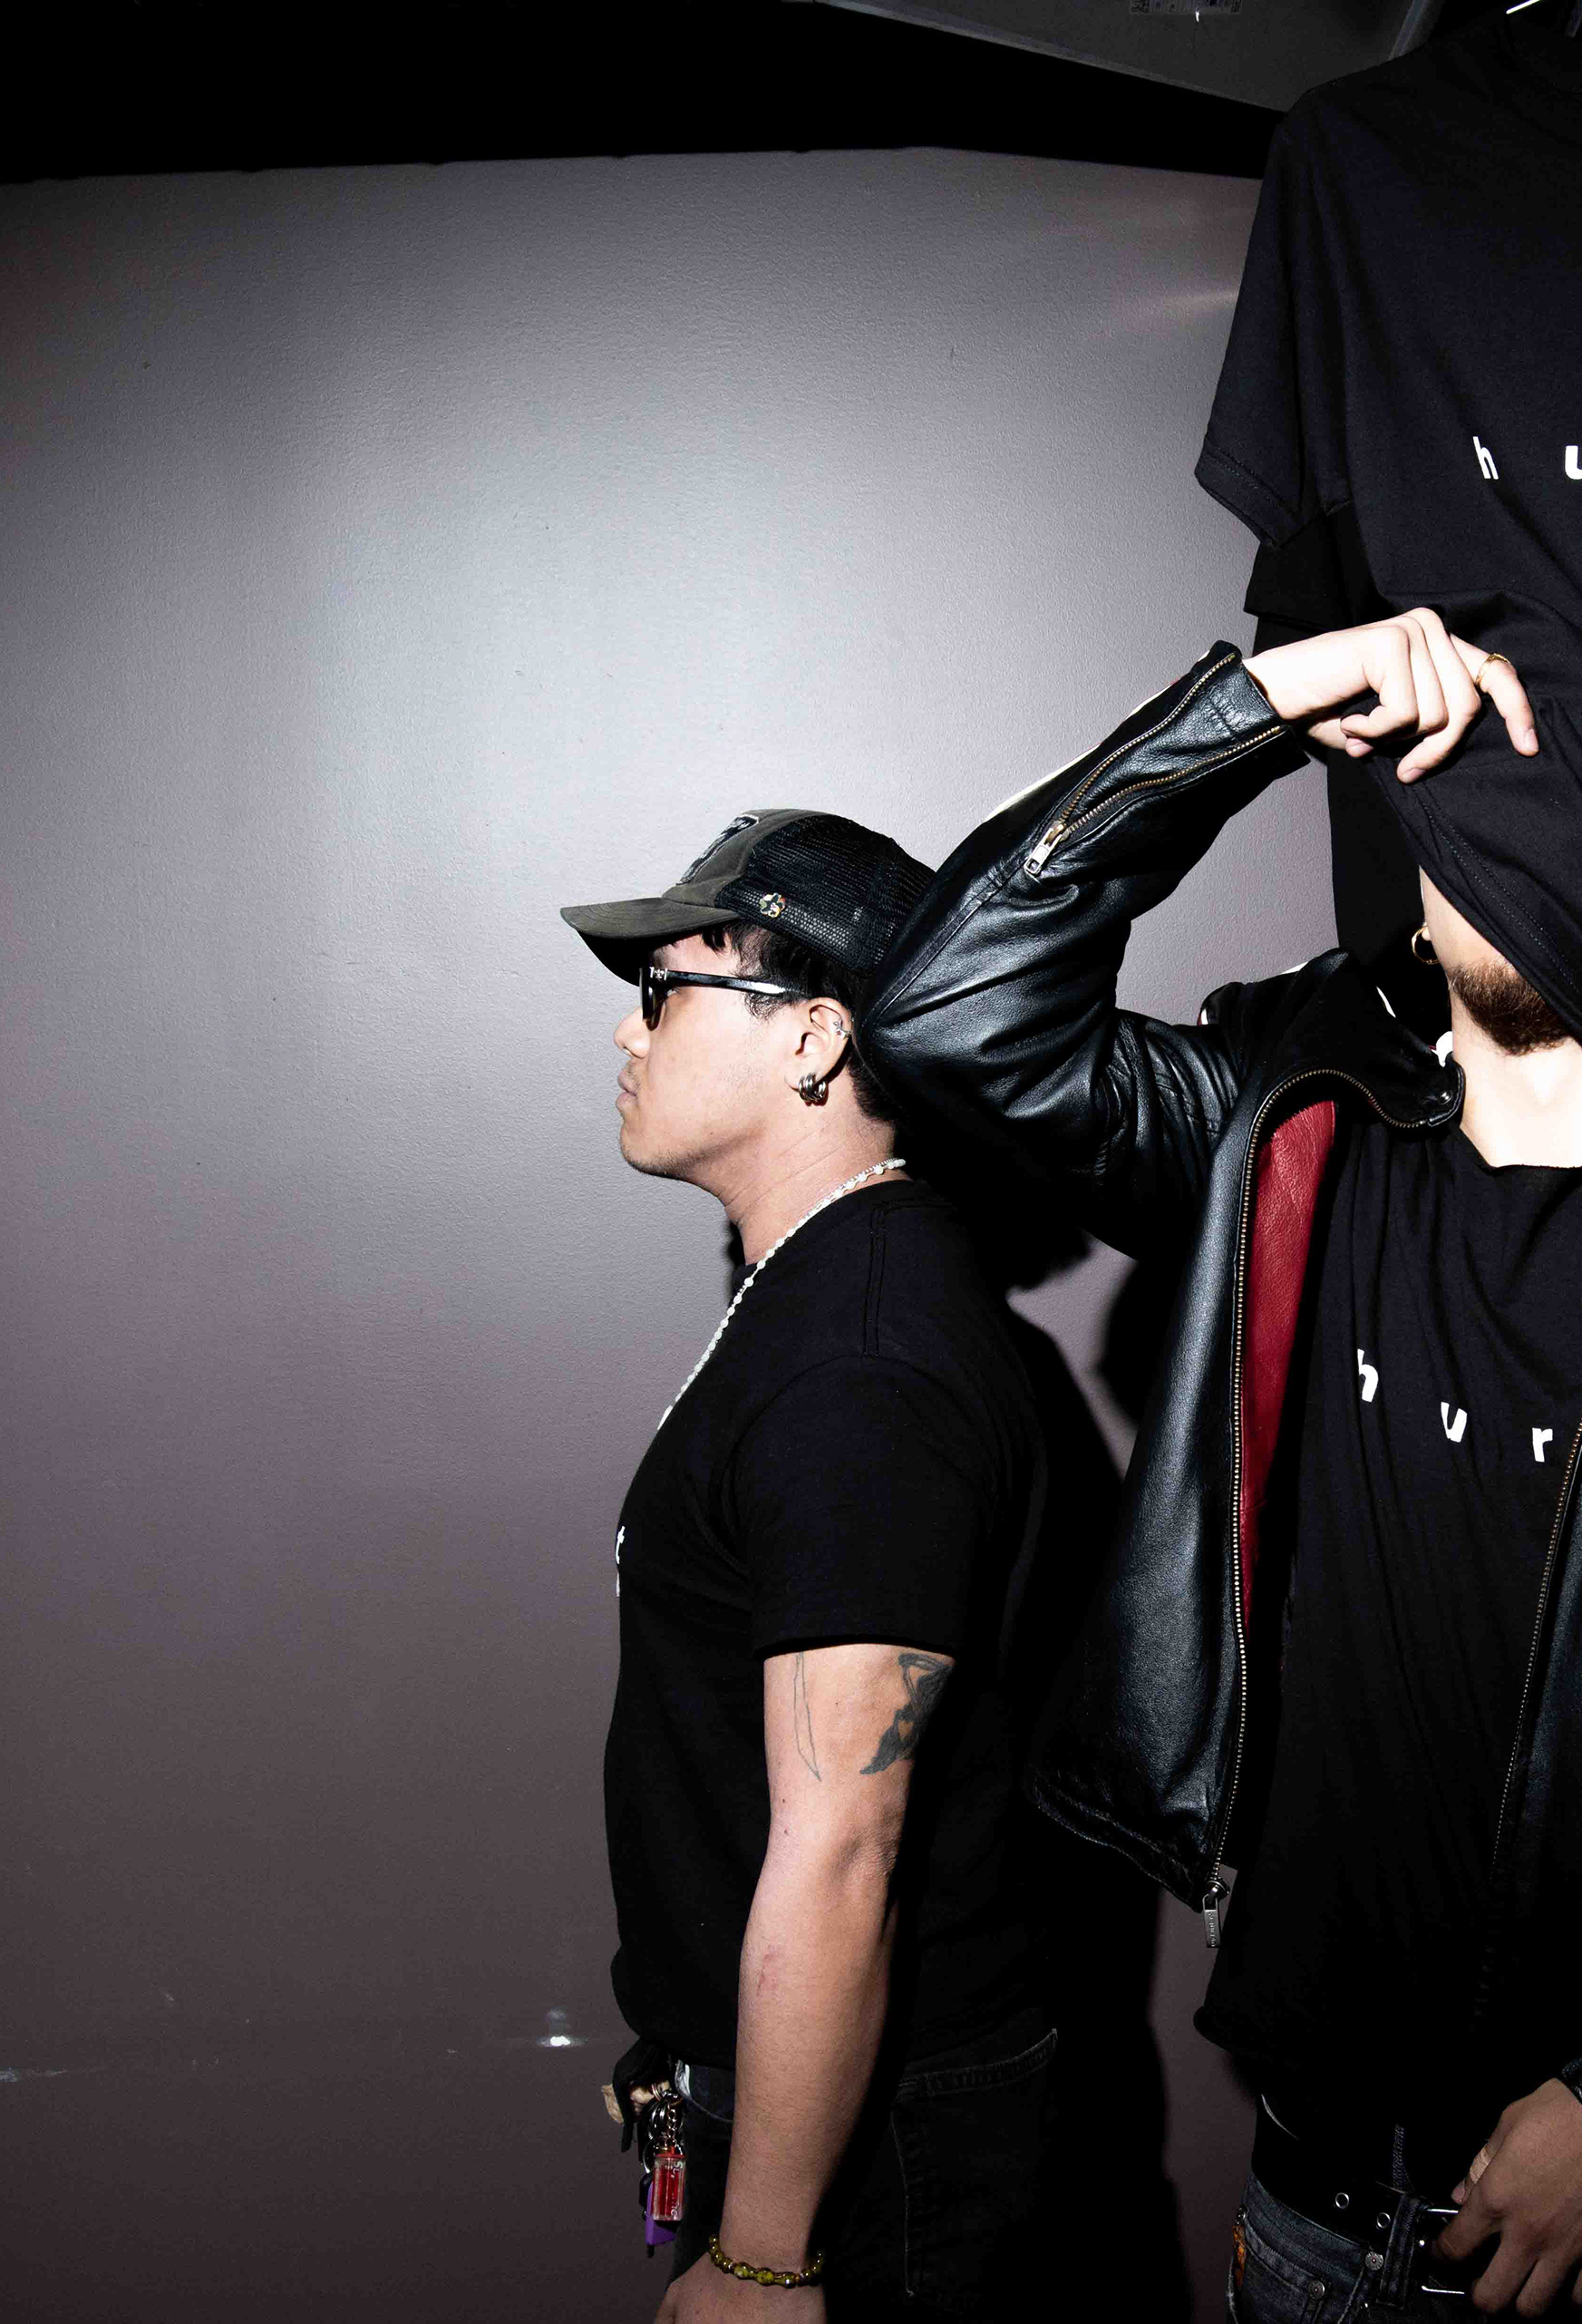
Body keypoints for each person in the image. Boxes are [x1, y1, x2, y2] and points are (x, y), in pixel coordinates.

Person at [861, 615, 1582, 2319]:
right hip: (1317, 2209)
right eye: (1478, 800)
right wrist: (1252, 710)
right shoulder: (1286, 1117)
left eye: (1581, 801)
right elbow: (945, 1010)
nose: (1524, 857)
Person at [564, 811, 1064, 2322]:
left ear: (814, 1039)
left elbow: (848, 1844)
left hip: (873, 2149)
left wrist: (764, 2255)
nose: (629, 1031)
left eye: (666, 993)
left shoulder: (860, 1368)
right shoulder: (836, 1291)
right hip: (816, 2100)